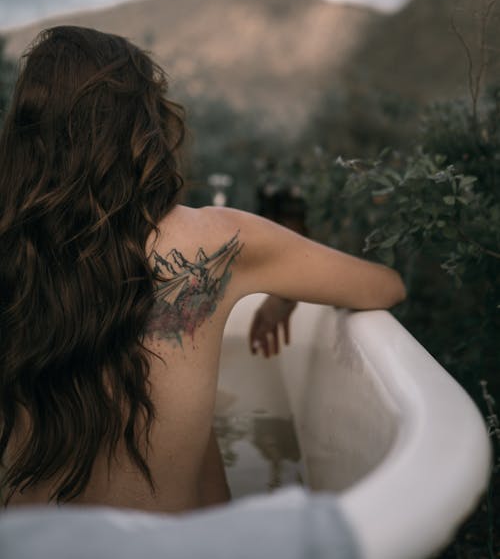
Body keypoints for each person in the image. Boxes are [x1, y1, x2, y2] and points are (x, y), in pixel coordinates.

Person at [0, 26, 406, 514]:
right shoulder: (219, 241)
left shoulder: (13, 250)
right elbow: (384, 286)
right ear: (142, 126)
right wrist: (285, 292)